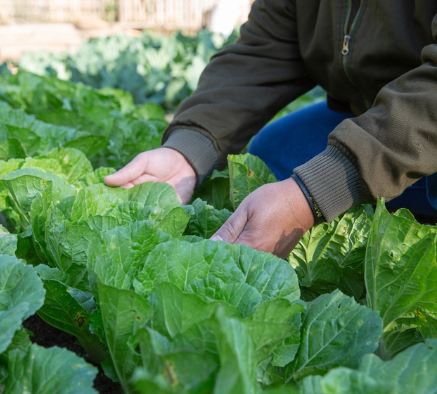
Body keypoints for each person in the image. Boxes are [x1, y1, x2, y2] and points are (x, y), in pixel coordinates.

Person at [104, 1, 437, 258]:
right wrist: (189, 148)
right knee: (271, 156)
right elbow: (266, 47)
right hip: (378, 113)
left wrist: (316, 193)